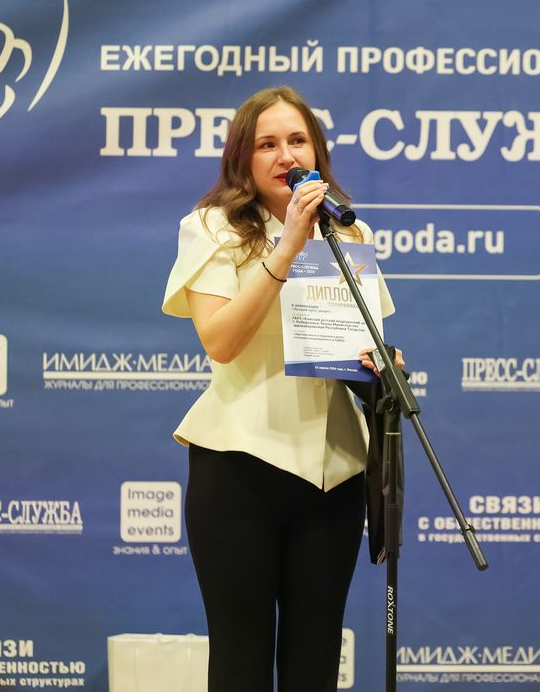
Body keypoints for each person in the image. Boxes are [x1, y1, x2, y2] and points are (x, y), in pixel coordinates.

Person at [161, 86, 401, 692]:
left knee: (314, 661)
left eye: (297, 140)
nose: (285, 155)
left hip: (334, 471)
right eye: (267, 144)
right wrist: (288, 245)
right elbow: (221, 341)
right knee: (241, 660)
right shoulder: (212, 227)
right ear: (243, 157)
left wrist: (381, 361)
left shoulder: (349, 234)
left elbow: (357, 344)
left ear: (317, 152)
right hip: (240, 466)